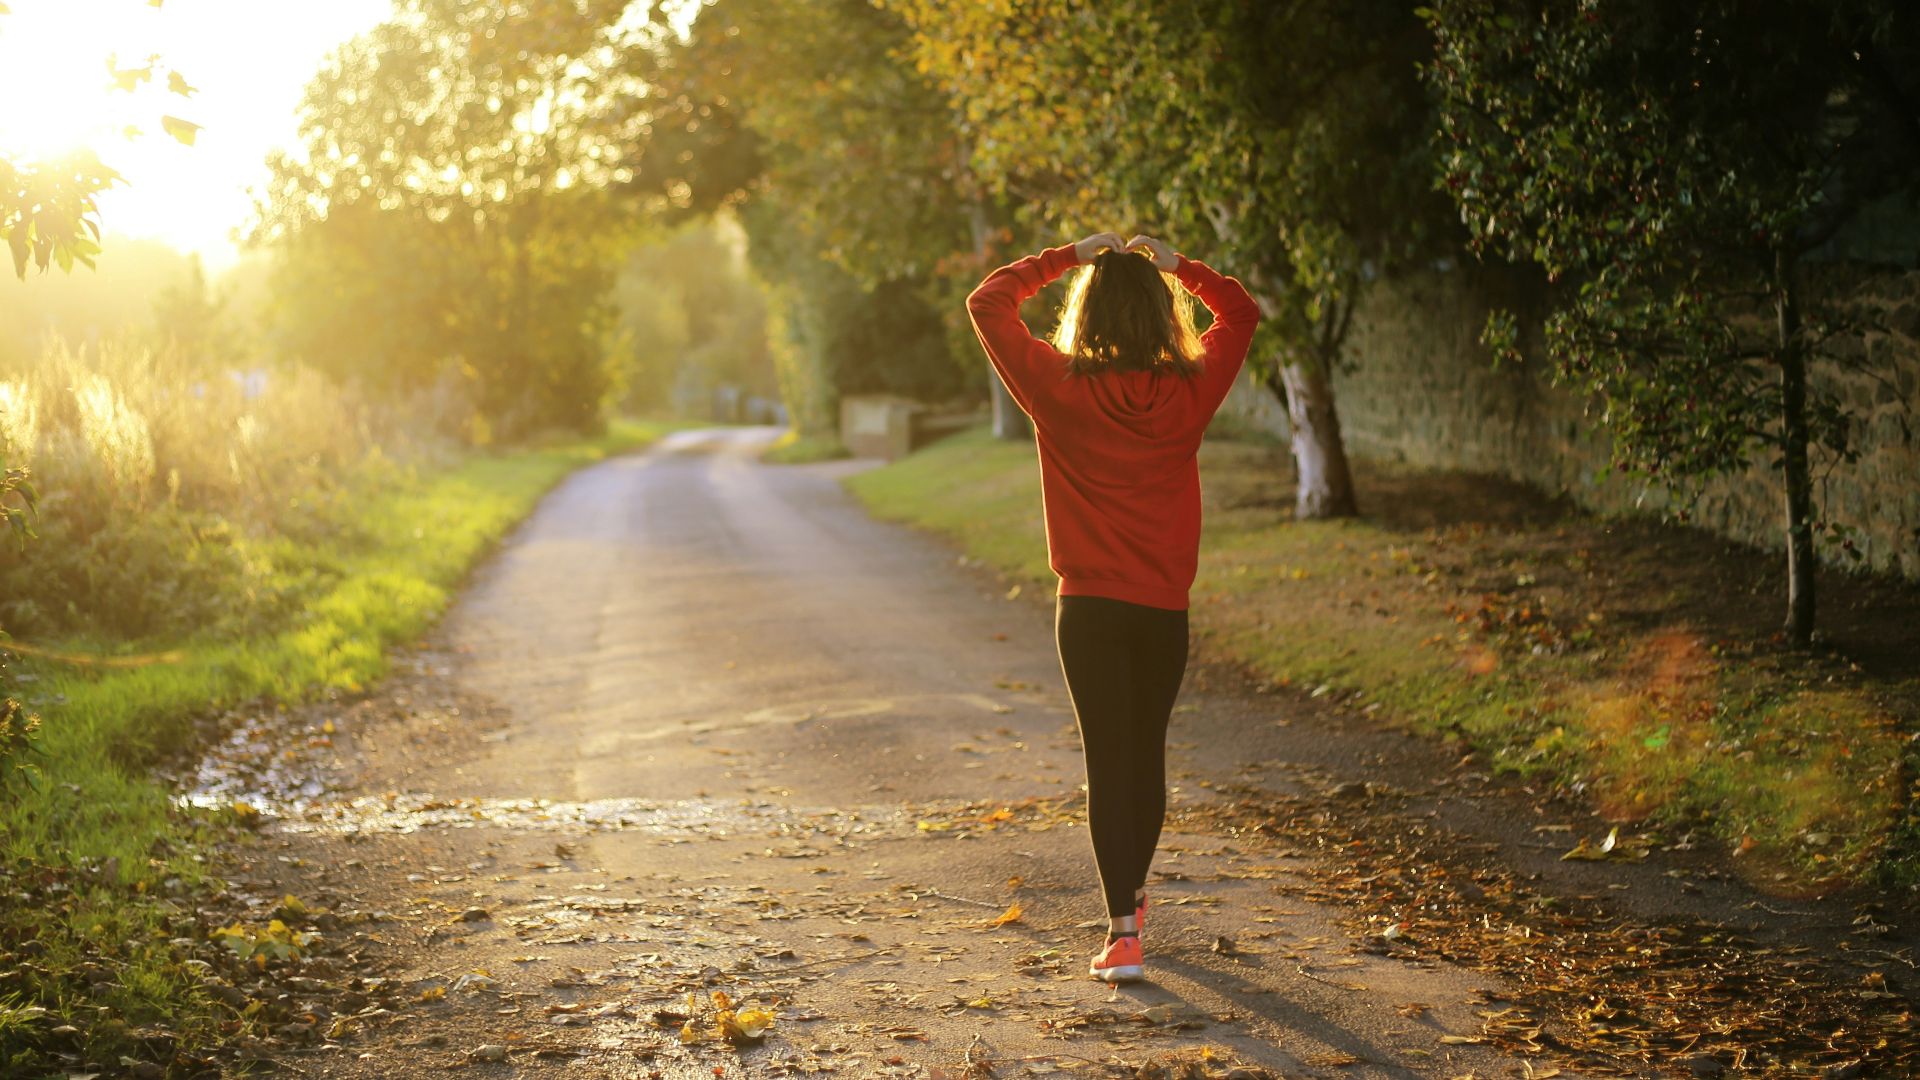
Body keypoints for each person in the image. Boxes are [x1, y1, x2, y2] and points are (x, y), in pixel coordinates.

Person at [965, 231, 1259, 982]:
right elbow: (1242, 312)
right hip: (1162, 608)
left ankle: (1123, 930)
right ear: (1162, 317)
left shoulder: (1056, 386)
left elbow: (988, 302)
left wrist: (1066, 256)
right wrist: (1180, 267)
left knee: (1108, 760)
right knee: (1145, 755)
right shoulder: (1191, 388)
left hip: (1089, 608)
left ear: (1086, 313)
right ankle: (1129, 900)